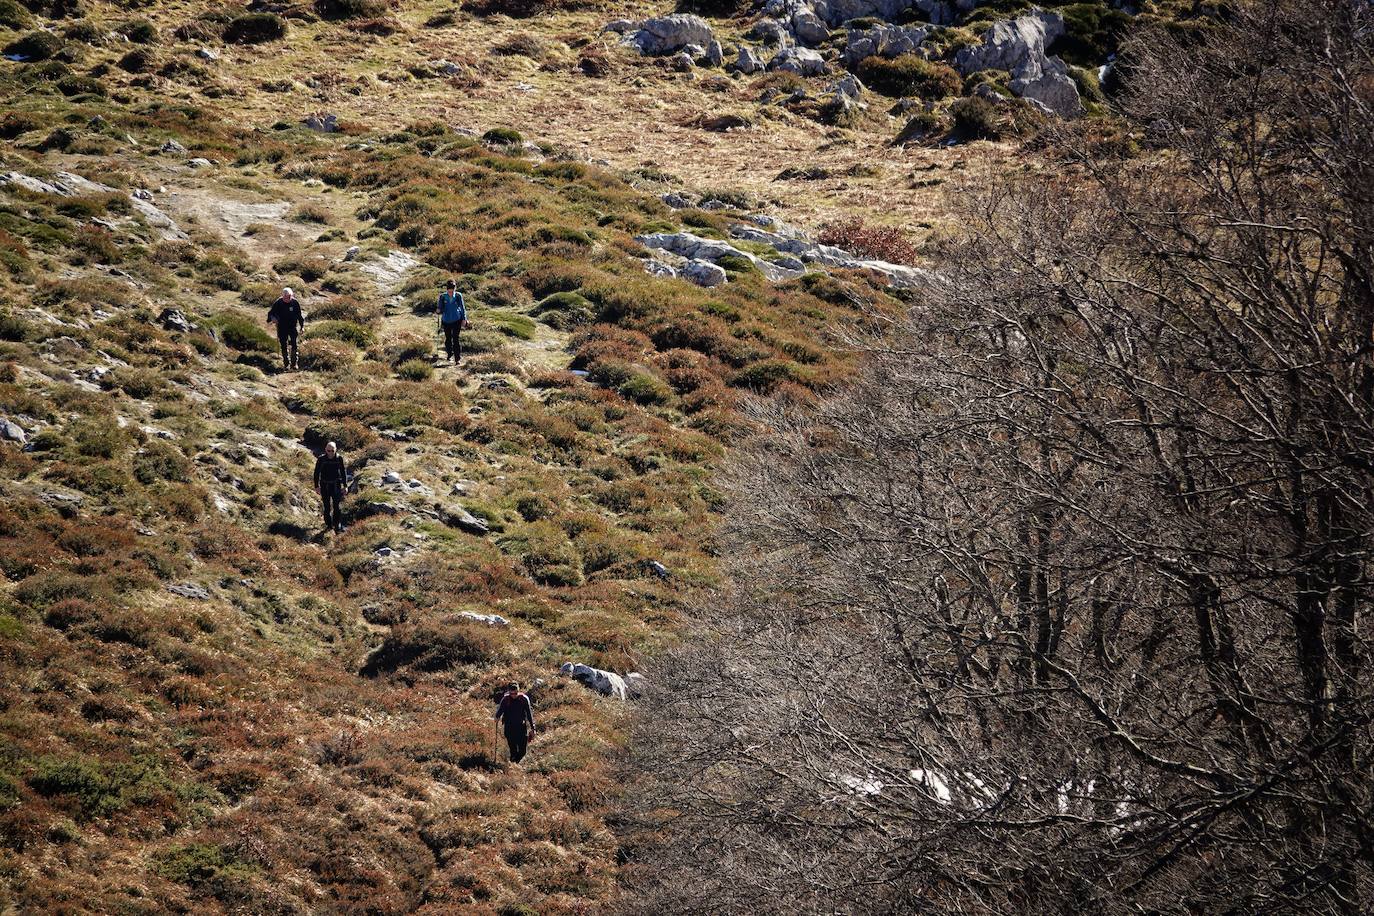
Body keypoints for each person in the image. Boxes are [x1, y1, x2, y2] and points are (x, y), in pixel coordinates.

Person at [492, 682, 536, 764]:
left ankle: (514, 764)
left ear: (518, 691)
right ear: (509, 692)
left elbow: (529, 714)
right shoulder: (505, 700)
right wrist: (497, 717)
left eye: (515, 693)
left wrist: (533, 728)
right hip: (509, 728)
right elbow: (500, 710)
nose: (513, 695)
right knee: (513, 751)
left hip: (521, 727)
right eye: (511, 694)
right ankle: (513, 767)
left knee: (523, 751)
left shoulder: (523, 699)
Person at [267, 287, 305, 371]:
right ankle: (286, 364)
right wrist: (273, 318)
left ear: (291, 296)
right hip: (281, 327)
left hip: (292, 326)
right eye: (284, 297)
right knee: (283, 344)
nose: (286, 299)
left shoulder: (295, 303)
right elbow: (271, 313)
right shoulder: (278, 302)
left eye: (288, 297)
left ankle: (294, 364)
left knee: (294, 344)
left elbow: (300, 316)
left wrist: (302, 327)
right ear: (282, 296)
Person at [313, 440, 347, 533]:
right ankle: (328, 525)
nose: (331, 453)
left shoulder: (339, 458)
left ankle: (337, 525)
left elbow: (343, 472)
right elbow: (316, 473)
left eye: (332, 450)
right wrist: (316, 486)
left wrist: (345, 485)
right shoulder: (321, 459)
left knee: (337, 506)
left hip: (336, 485)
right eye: (329, 450)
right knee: (327, 506)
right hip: (324, 485)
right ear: (325, 450)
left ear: (336, 450)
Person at [438, 279, 467, 364]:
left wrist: (464, 319)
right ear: (447, 290)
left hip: (456, 320)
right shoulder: (442, 296)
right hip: (446, 320)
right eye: (449, 291)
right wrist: (438, 310)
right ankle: (449, 355)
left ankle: (457, 359)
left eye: (452, 291)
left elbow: (462, 308)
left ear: (455, 289)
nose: (451, 293)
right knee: (448, 339)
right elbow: (440, 307)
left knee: (456, 339)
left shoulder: (458, 296)